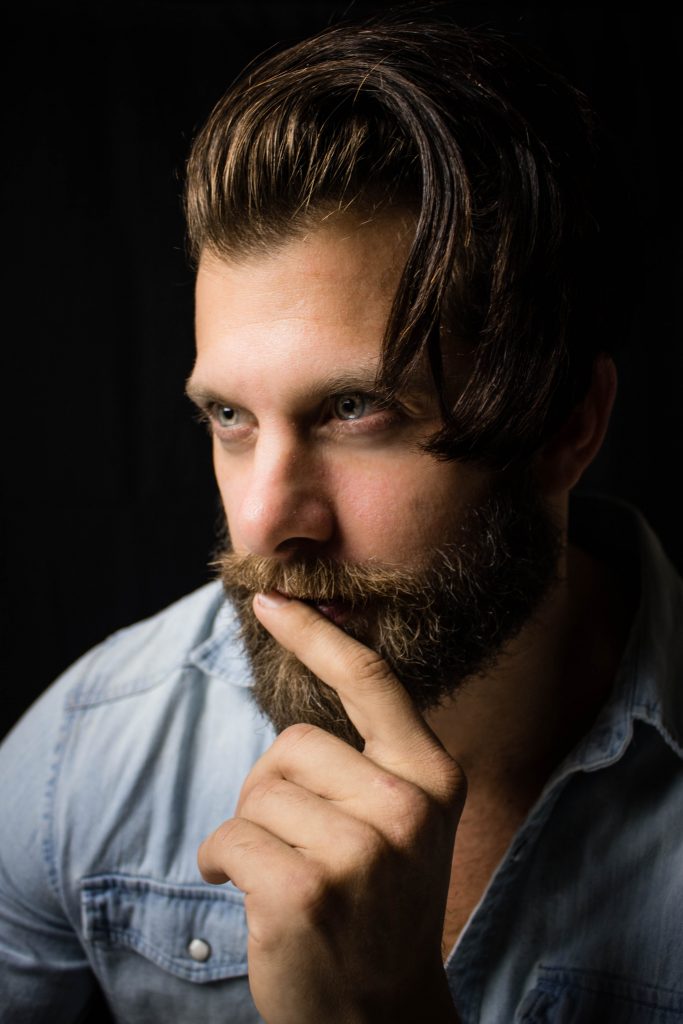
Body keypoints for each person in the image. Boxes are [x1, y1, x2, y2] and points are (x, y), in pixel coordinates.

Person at [1, 13, 681, 1024]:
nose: (266, 523)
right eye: (229, 416)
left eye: (355, 409)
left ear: (561, 426)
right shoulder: (84, 758)